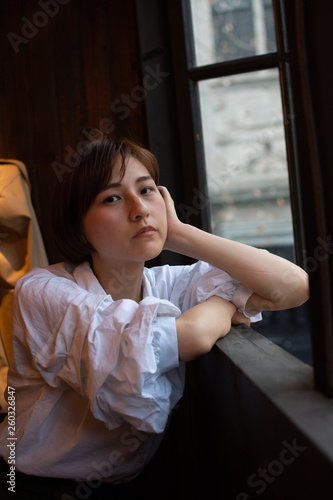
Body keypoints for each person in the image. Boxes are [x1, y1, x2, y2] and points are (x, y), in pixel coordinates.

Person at [0, 132, 309, 499]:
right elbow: (186, 338)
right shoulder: (41, 289)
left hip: (129, 483)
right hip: (28, 484)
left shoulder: (168, 283)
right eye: (112, 198)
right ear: (78, 226)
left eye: (147, 190)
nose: (139, 208)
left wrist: (179, 234)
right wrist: (227, 304)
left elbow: (294, 285)